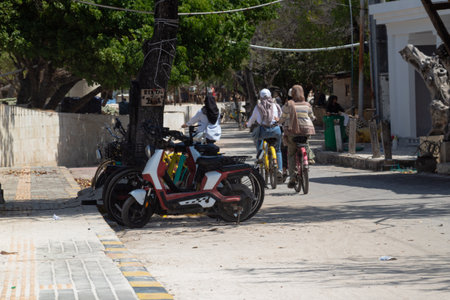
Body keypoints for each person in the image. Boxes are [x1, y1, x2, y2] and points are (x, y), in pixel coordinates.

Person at [279, 85, 316, 189]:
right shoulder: (307, 105)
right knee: (306, 142)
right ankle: (309, 157)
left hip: (292, 132)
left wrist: (278, 122)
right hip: (306, 131)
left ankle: (292, 177)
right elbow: (312, 117)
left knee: (291, 154)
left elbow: (283, 118)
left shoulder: (288, 105)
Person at [246, 89, 283, 179]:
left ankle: (259, 156)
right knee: (278, 150)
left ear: (260, 96)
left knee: (259, 139)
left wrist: (248, 125)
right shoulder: (276, 106)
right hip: (276, 130)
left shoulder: (258, 107)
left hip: (264, 131)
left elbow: (252, 119)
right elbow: (281, 117)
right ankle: (280, 169)